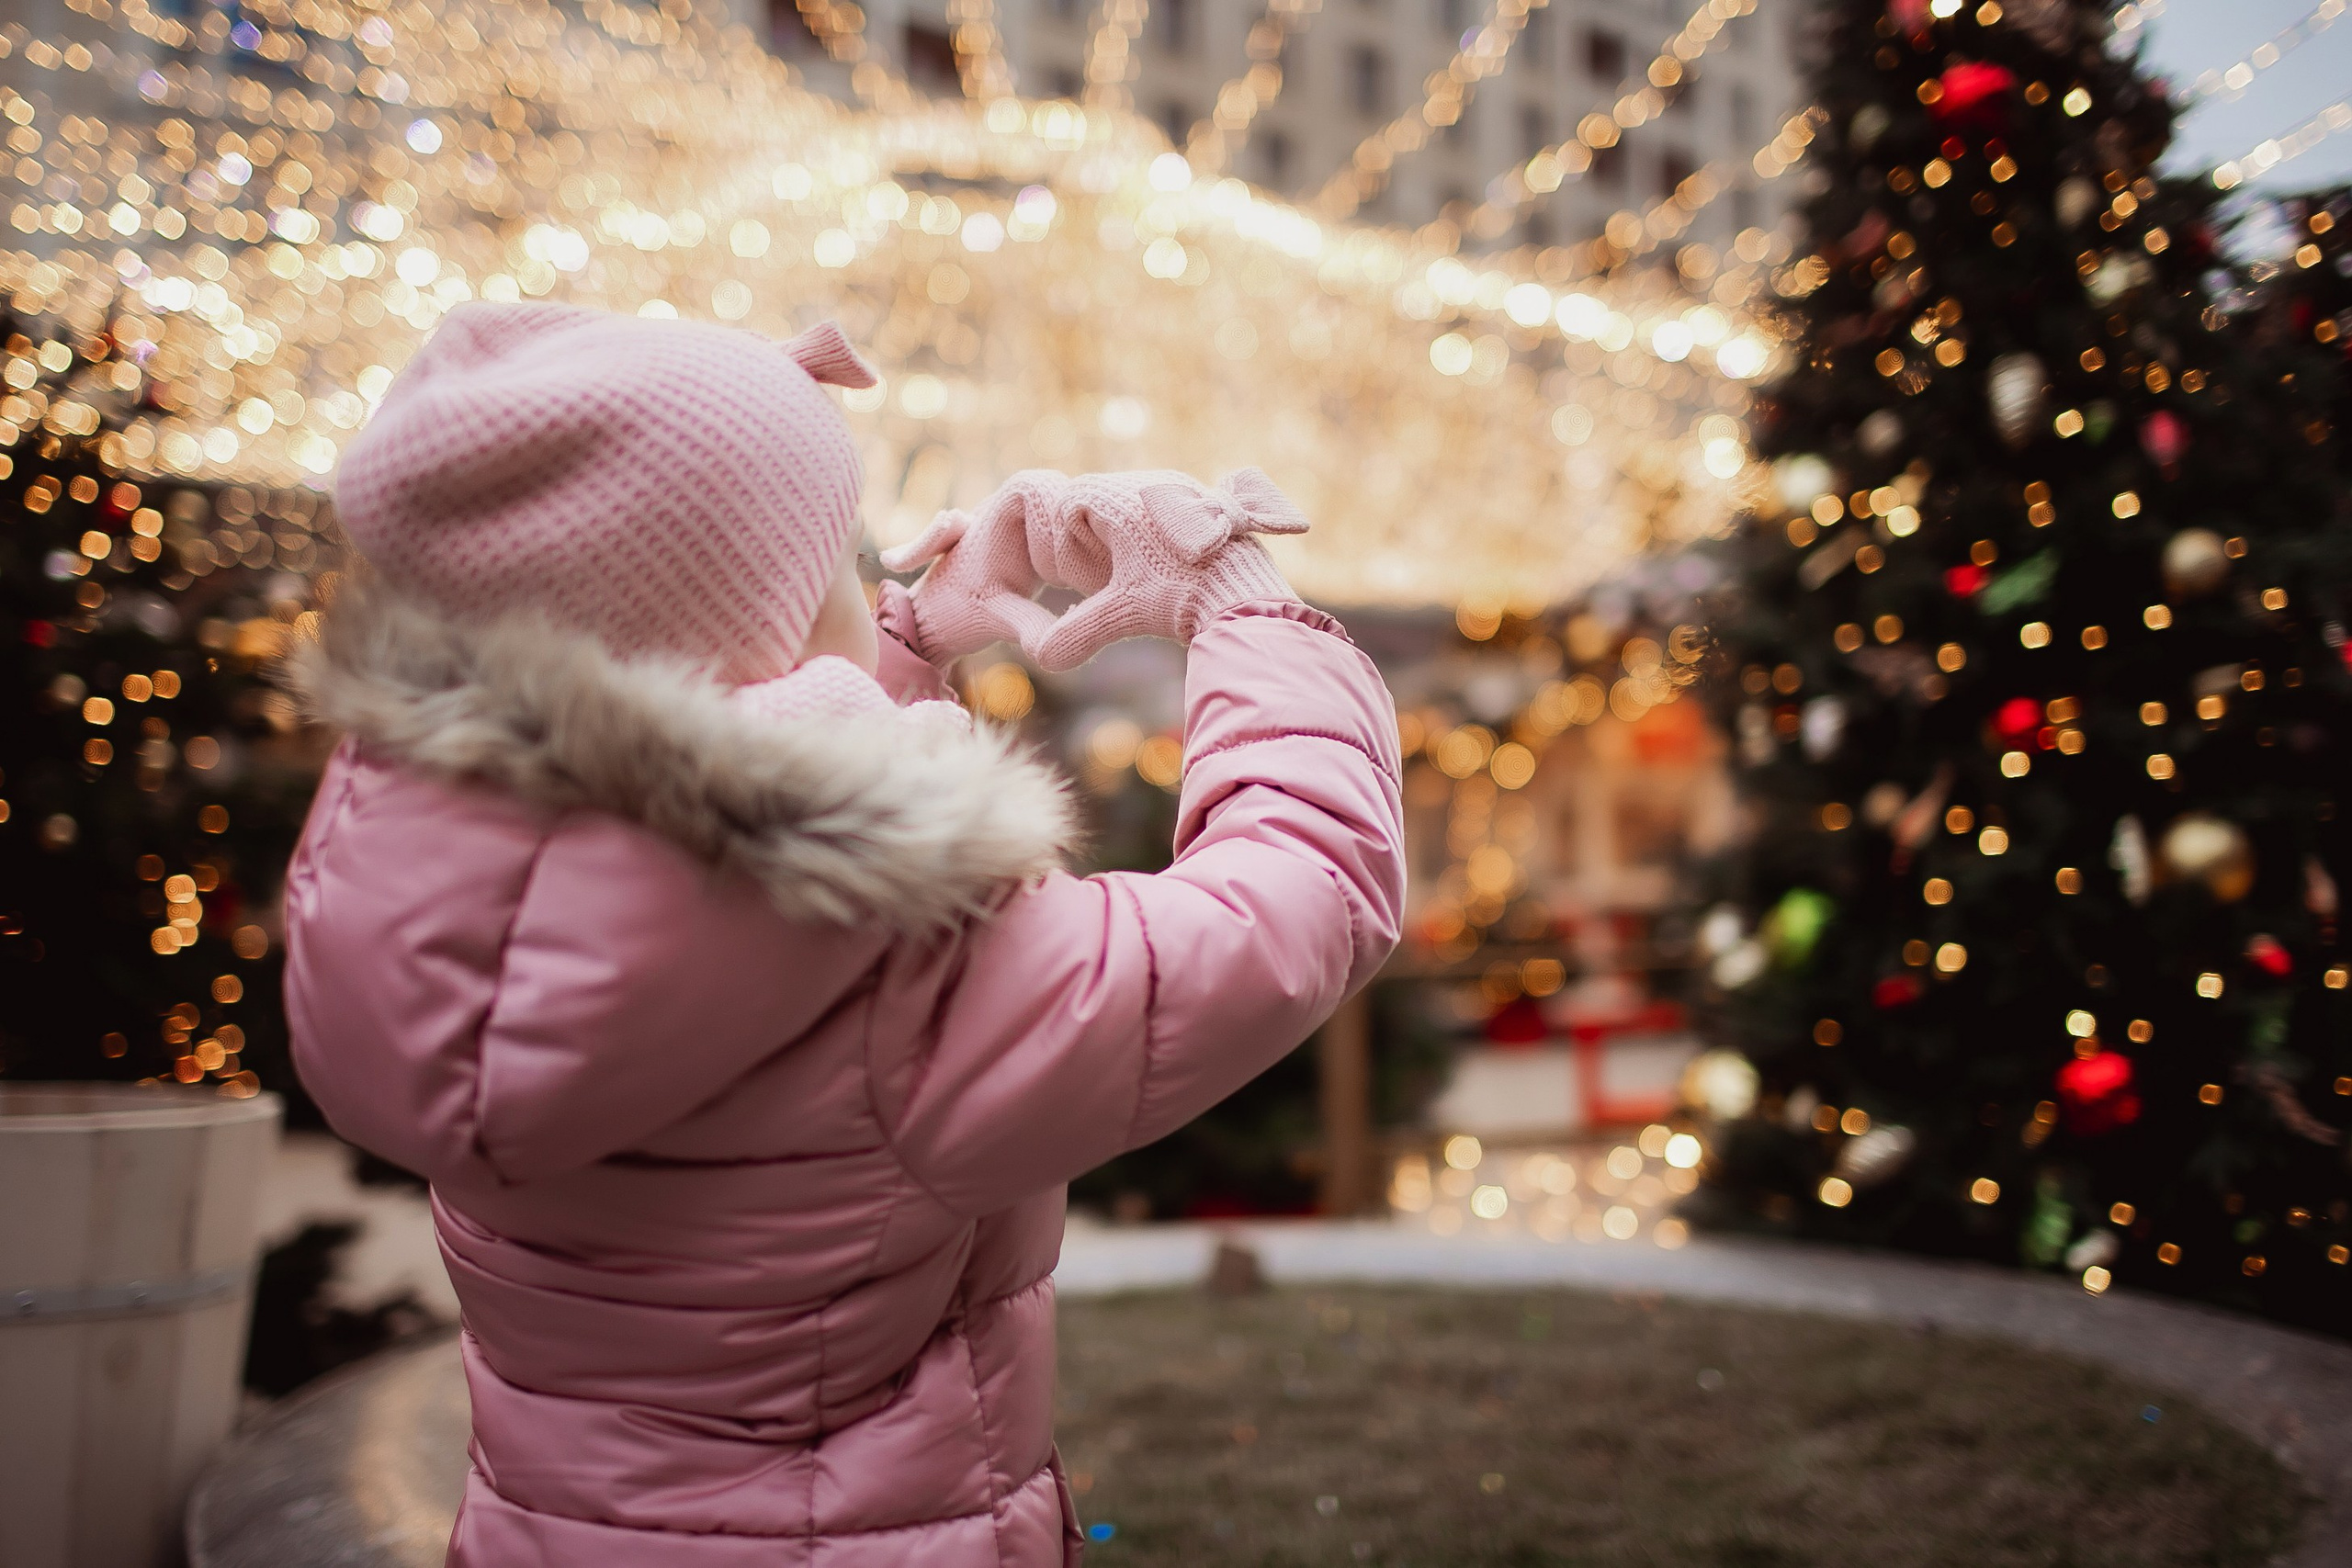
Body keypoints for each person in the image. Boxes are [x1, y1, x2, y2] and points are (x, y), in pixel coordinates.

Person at [282, 300, 1405, 1566]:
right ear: (755, 623)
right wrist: (1246, 604)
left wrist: (911, 642)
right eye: (835, 566)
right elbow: (1298, 900)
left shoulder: (426, 869)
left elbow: (720, 788)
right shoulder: (896, 970)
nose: (861, 593)